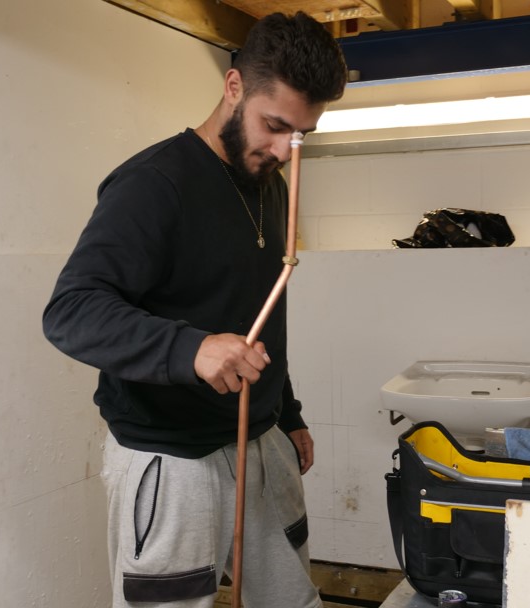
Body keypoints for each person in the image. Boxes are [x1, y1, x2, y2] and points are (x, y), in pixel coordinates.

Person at [42, 12, 347, 608]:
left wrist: (288, 412)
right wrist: (192, 348)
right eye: (275, 126)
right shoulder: (154, 184)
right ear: (234, 87)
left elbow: (260, 316)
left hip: (260, 444)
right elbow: (72, 309)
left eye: (302, 134)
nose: (286, 150)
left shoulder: (272, 182)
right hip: (174, 460)